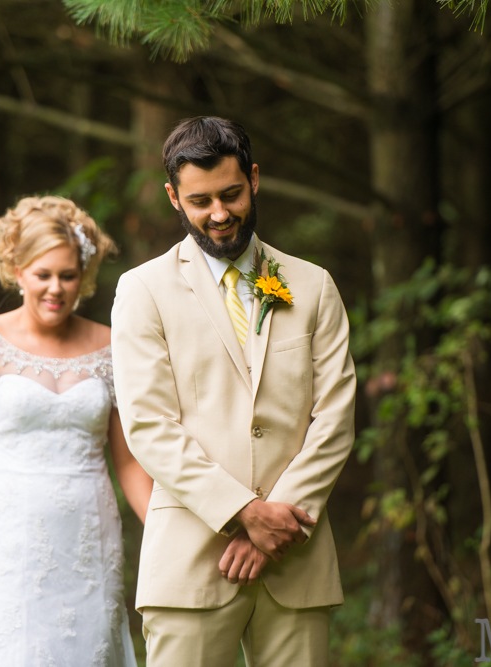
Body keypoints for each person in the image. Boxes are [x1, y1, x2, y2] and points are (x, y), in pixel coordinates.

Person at [110, 117, 357, 666]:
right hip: (192, 559)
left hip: (298, 558)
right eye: (200, 201)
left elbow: (335, 418)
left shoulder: (312, 286)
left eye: (231, 194)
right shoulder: (142, 291)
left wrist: (280, 521)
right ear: (174, 197)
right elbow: (149, 425)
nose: (218, 214)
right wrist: (243, 512)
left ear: (255, 179)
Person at [0, 195, 153, 667]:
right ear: (18, 270)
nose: (56, 288)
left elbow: (128, 461)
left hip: (89, 538)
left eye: (68, 275)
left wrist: (165, 531)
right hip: (3, 538)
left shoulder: (111, 348)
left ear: (83, 276)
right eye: (43, 274)